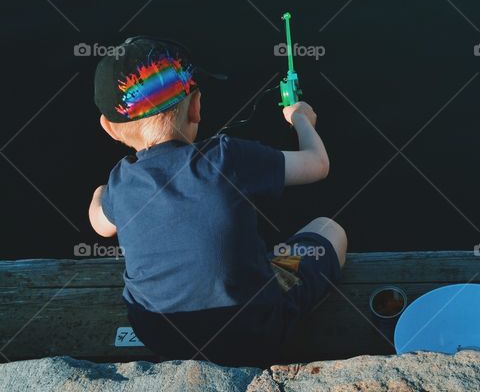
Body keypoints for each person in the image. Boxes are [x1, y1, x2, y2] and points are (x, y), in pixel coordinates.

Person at [87, 37, 346, 366]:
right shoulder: (227, 157)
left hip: (160, 336)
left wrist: (102, 192)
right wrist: (300, 119)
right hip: (253, 335)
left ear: (109, 128)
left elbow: (101, 225)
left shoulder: (121, 183)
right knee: (329, 229)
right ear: (196, 106)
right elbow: (317, 164)